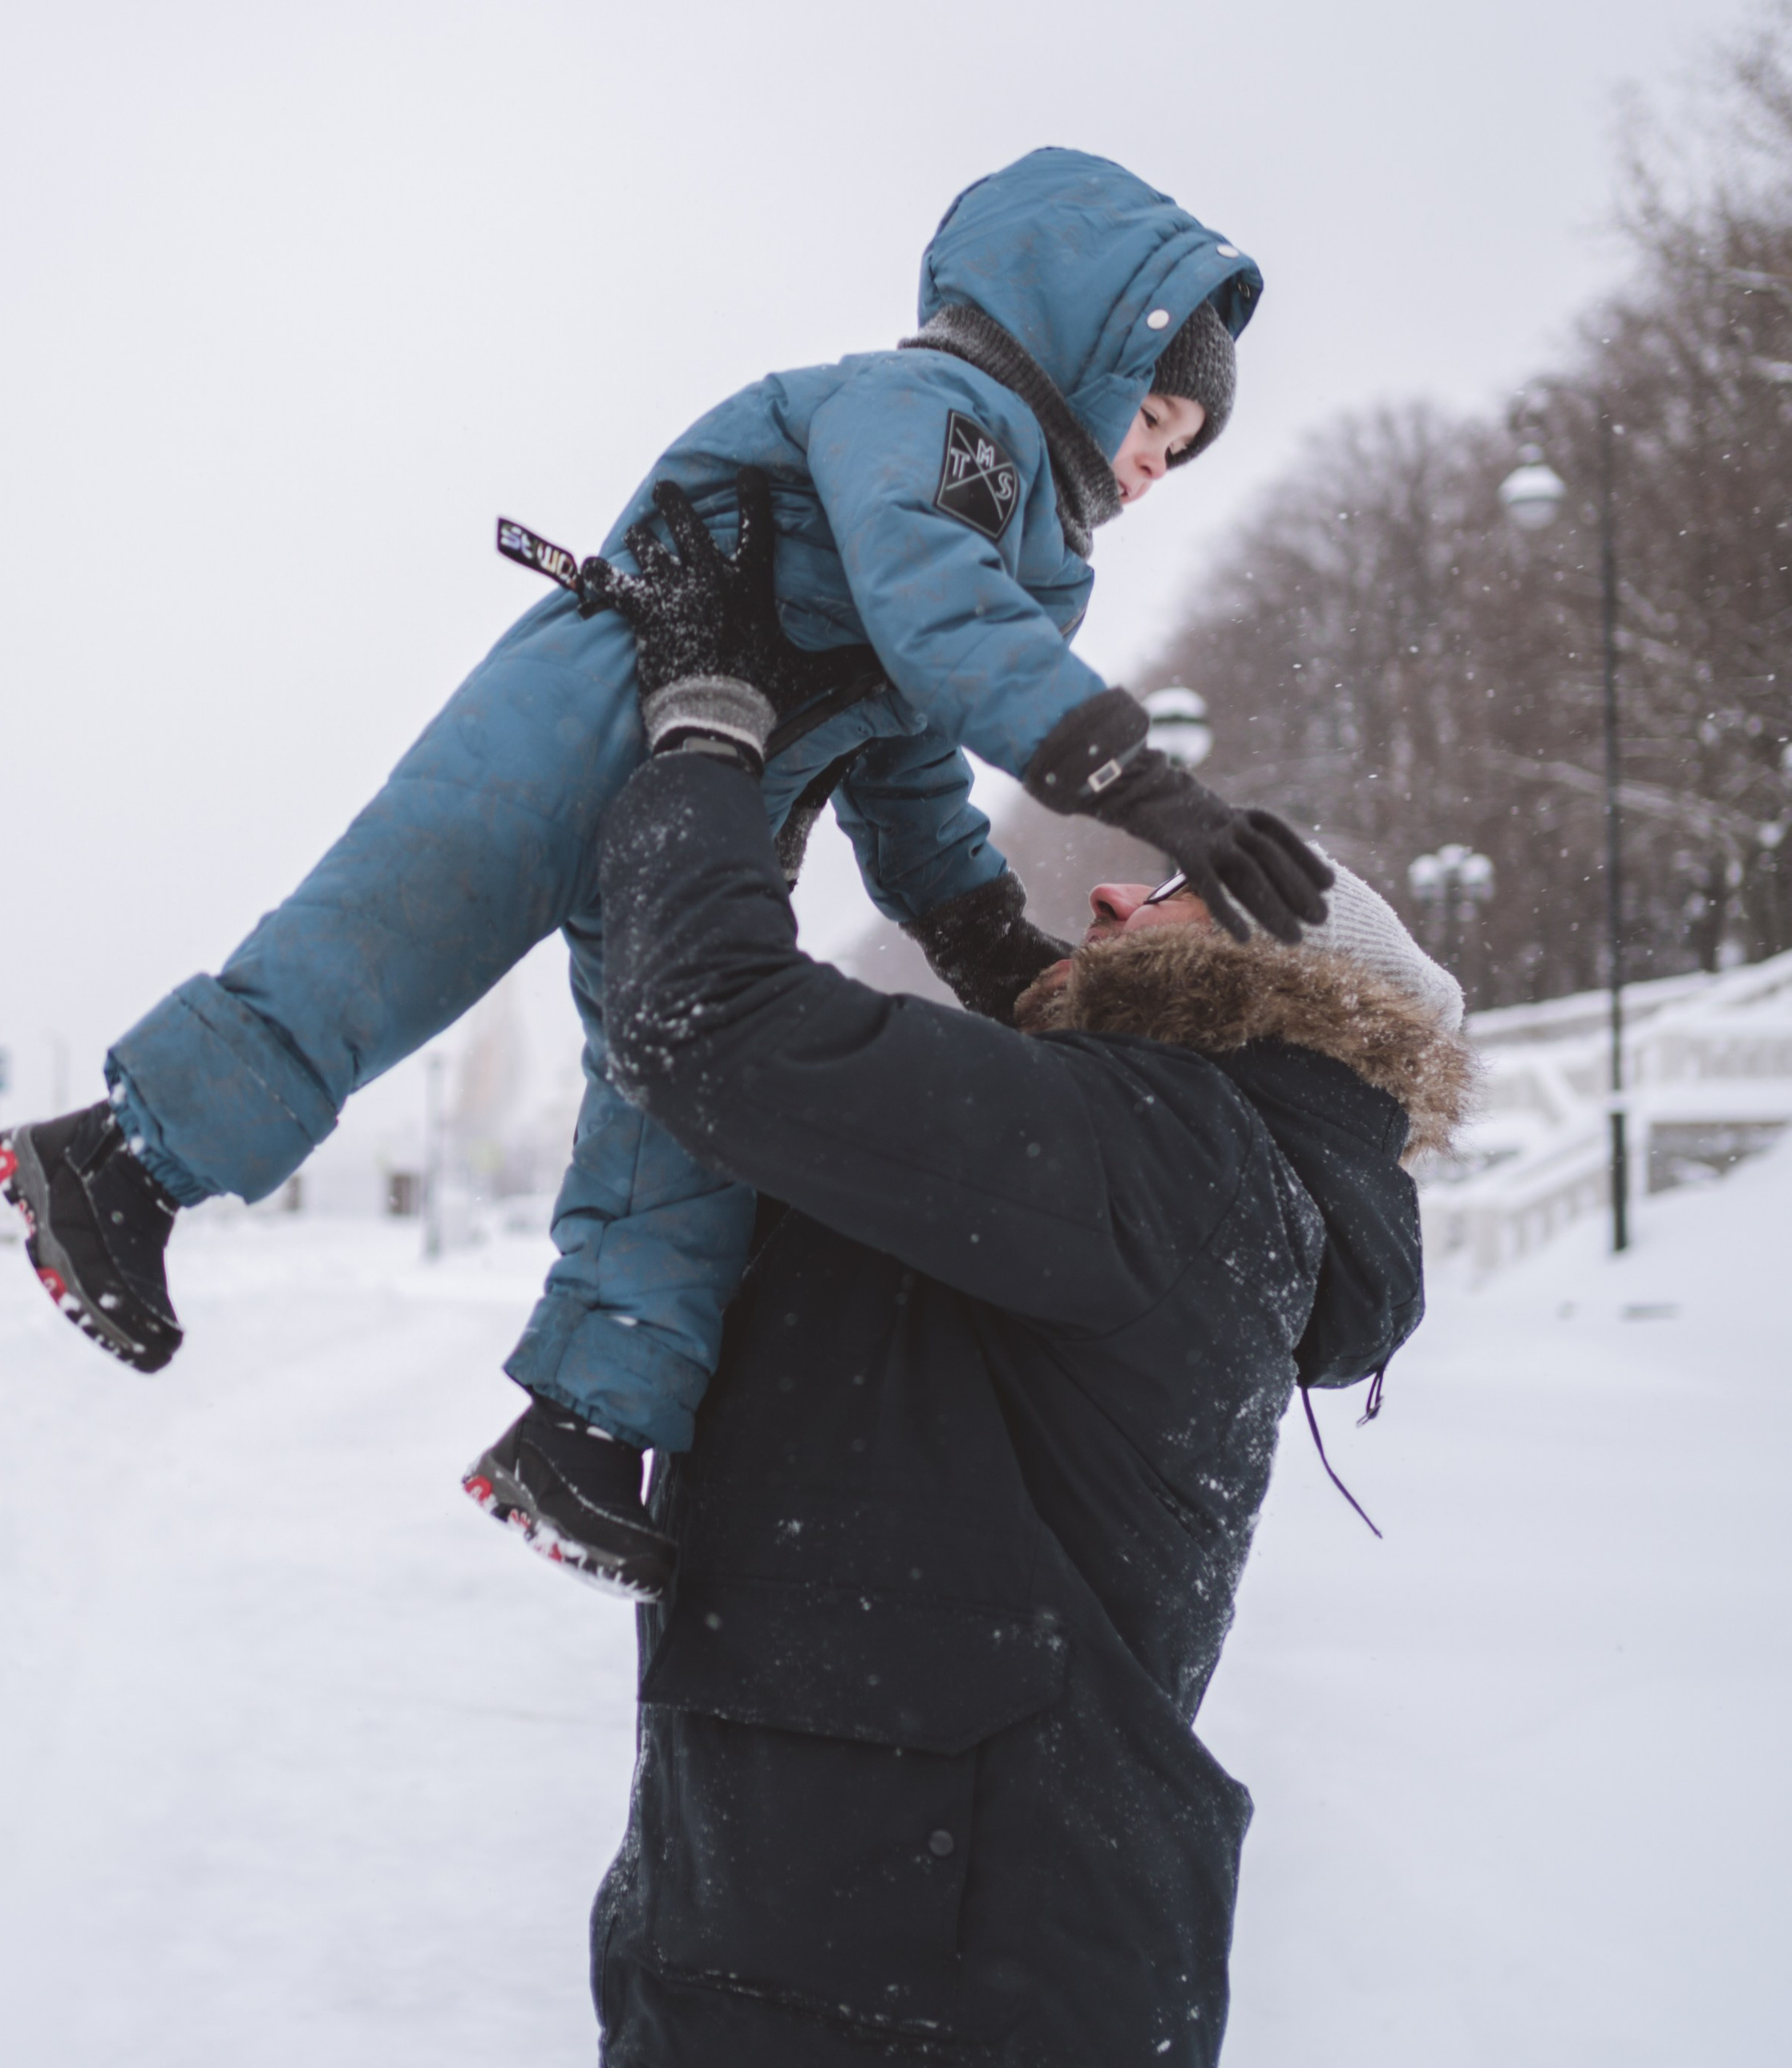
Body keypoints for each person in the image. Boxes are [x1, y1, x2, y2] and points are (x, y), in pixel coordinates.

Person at [0, 148, 1333, 1593]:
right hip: (598, 698)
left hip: (722, 794)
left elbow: (904, 755)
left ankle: (587, 1425)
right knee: (394, 936)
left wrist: (988, 943)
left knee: (683, 1097)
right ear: (1087, 347)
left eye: (1187, 450)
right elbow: (927, 604)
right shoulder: (934, 414)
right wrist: (1138, 783)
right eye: (1162, 413)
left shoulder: (1029, 539)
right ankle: (118, 1163)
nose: (1159, 462)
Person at [576, 488, 1470, 2063]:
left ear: (1268, 989)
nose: (1111, 894)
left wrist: (712, 717)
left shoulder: (1169, 1158)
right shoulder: (1198, 1176)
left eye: (1170, 899)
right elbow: (791, 1106)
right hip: (890, 1949)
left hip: (916, 1981)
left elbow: (708, 1032)